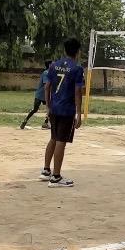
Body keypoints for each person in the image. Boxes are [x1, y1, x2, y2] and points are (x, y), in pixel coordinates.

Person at [38, 39, 84, 188]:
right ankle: (56, 177)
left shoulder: (53, 65)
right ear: (77, 52)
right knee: (61, 141)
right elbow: (78, 92)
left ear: (65, 50)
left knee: (53, 137)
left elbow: (47, 87)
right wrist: (79, 113)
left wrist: (48, 107)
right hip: (66, 109)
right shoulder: (77, 69)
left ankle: (46, 171)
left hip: (54, 108)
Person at [20, 61, 53, 130]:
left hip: (45, 95)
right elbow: (46, 84)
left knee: (51, 109)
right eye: (53, 64)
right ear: (50, 65)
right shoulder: (46, 73)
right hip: (41, 95)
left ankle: (45, 123)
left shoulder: (51, 73)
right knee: (35, 109)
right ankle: (24, 121)